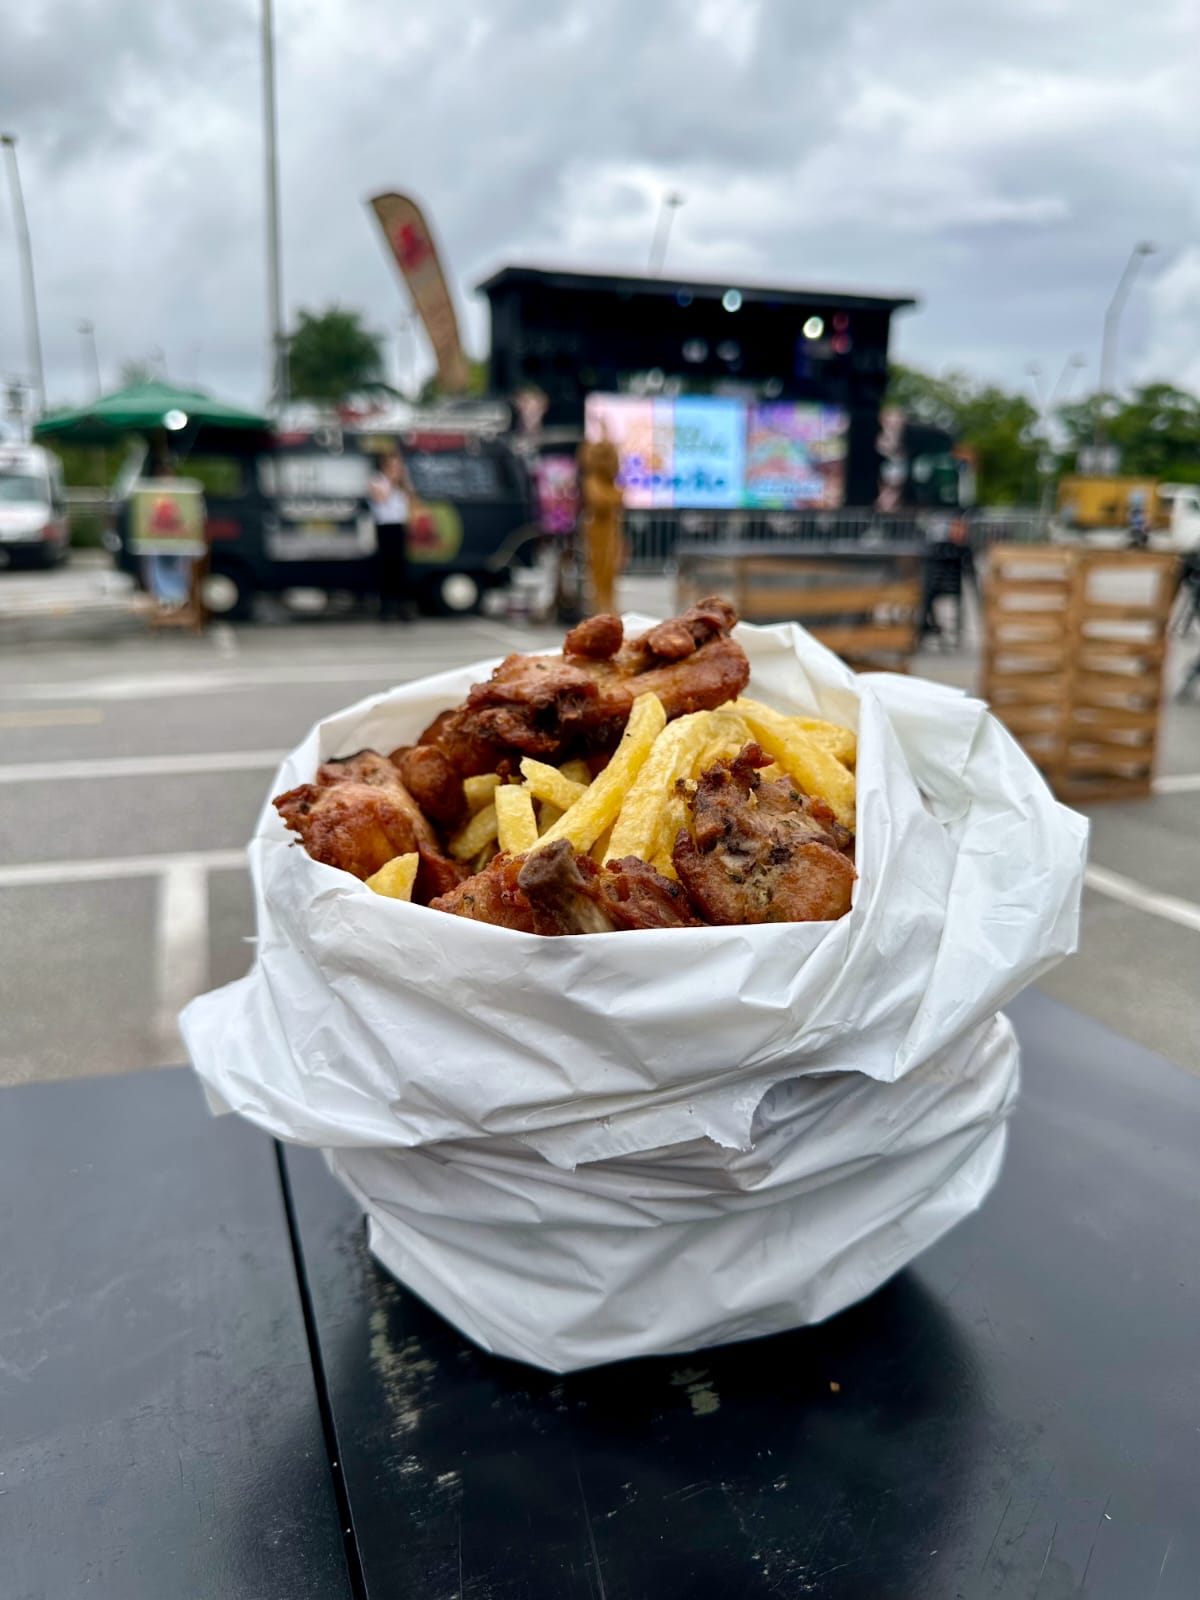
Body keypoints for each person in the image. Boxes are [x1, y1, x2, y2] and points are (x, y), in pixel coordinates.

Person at [369, 450, 414, 620]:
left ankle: (403, 606)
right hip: (384, 527)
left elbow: (411, 499)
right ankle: (386, 606)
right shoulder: (378, 481)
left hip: (399, 525)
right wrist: (392, 481)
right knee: (386, 567)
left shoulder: (403, 482)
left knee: (400, 568)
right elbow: (381, 499)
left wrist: (402, 482)